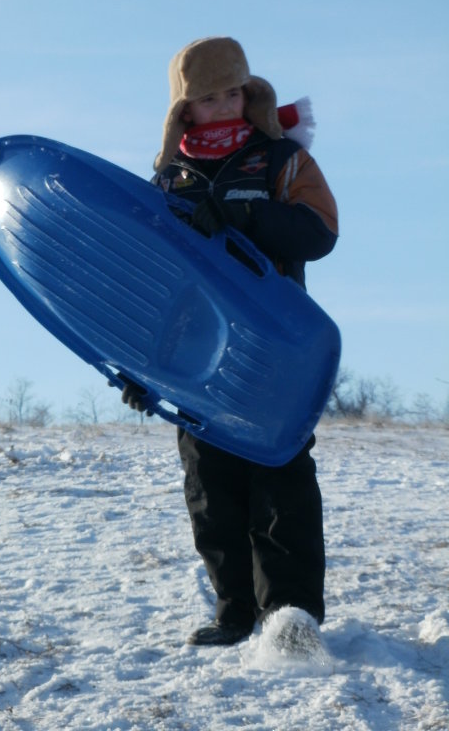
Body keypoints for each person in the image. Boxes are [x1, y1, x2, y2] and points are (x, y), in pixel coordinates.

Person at [120, 36, 338, 646]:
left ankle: (290, 618)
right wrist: (141, 369)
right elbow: (148, 281)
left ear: (249, 93)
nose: (223, 107)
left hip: (273, 346)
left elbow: (320, 232)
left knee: (279, 477)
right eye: (208, 98)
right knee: (209, 485)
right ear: (183, 110)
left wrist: (246, 217)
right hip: (194, 356)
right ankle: (235, 611)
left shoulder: (280, 160)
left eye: (233, 93)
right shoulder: (166, 181)